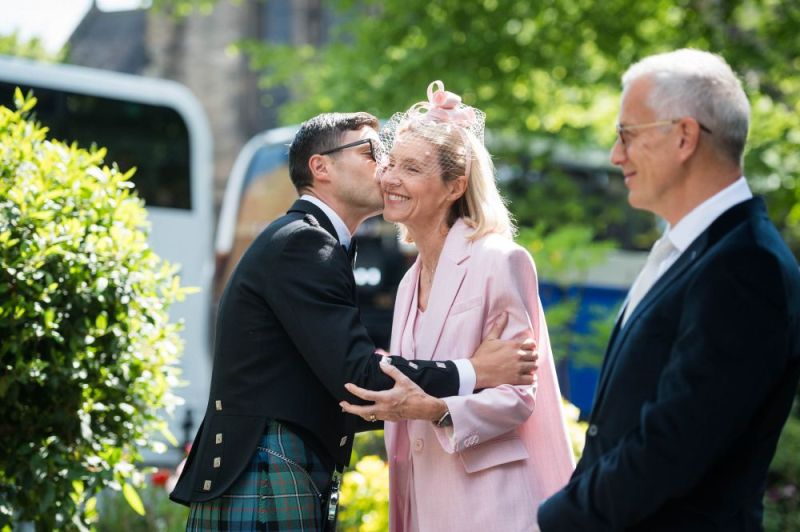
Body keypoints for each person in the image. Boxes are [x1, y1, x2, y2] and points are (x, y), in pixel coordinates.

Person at [168, 111, 539, 531]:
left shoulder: (315, 242)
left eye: (398, 160)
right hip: (269, 465)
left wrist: (427, 404)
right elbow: (359, 376)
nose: (385, 168)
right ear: (320, 167)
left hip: (283, 465)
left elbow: (341, 388)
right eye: (372, 152)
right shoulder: (305, 243)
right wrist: (476, 371)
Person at [537, 49, 800, 531]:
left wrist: (555, 520)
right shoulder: (694, 249)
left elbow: (673, 444)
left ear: (683, 136)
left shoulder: (746, 265)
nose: (616, 155)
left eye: (627, 135)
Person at [341, 82, 575, 531]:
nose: (390, 178)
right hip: (423, 501)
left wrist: (435, 408)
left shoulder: (501, 260)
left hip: (492, 505)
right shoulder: (409, 283)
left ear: (456, 184)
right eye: (390, 164)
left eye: (411, 168)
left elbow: (519, 394)